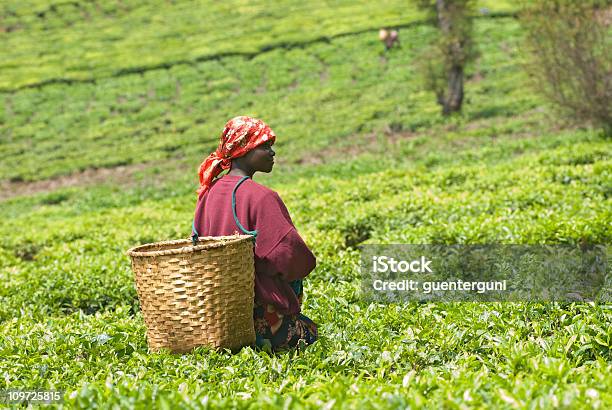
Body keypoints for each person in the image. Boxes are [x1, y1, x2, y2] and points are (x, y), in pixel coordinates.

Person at [192, 116, 318, 352]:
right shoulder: (262, 196)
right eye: (264, 146)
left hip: (219, 317)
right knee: (309, 334)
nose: (272, 153)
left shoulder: (209, 192)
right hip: (257, 320)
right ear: (244, 150)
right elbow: (290, 256)